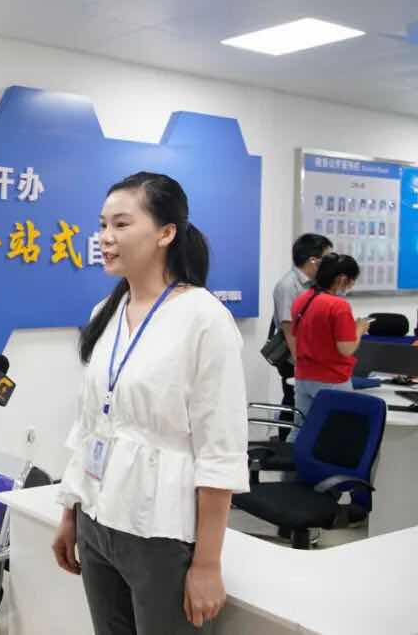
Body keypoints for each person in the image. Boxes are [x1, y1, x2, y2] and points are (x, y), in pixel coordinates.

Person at [51, 172, 249, 634]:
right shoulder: (105, 313)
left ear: (166, 233)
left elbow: (219, 450)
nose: (105, 237)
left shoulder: (204, 318)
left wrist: (207, 563)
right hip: (96, 520)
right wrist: (70, 511)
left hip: (159, 530)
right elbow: (91, 425)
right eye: (102, 225)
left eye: (121, 224)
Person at [288, 253, 371, 438]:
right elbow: (346, 349)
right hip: (332, 378)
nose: (350, 286)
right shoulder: (338, 306)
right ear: (341, 279)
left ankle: (291, 456)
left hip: (303, 376)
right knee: (336, 433)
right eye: (351, 281)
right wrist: (359, 329)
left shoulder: (302, 299)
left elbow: (297, 336)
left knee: (301, 429)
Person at [270, 233, 332, 438]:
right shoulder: (288, 285)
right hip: (293, 356)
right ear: (313, 260)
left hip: (312, 355)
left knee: (307, 404)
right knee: (292, 402)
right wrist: (300, 362)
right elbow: (289, 329)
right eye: (327, 258)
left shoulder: (317, 284)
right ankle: (284, 446)